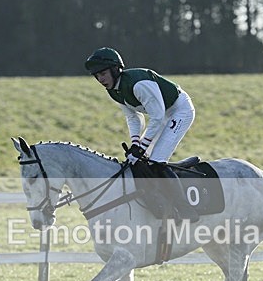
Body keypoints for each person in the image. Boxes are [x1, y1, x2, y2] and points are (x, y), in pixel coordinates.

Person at [84, 47, 198, 222]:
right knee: (140, 161)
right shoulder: (114, 90)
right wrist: (135, 144)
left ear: (115, 69)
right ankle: (157, 202)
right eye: (97, 76)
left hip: (180, 110)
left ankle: (184, 208)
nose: (101, 79)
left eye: (103, 74)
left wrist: (141, 147)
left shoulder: (138, 85)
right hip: (162, 114)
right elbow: (133, 117)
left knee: (157, 160)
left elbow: (157, 117)